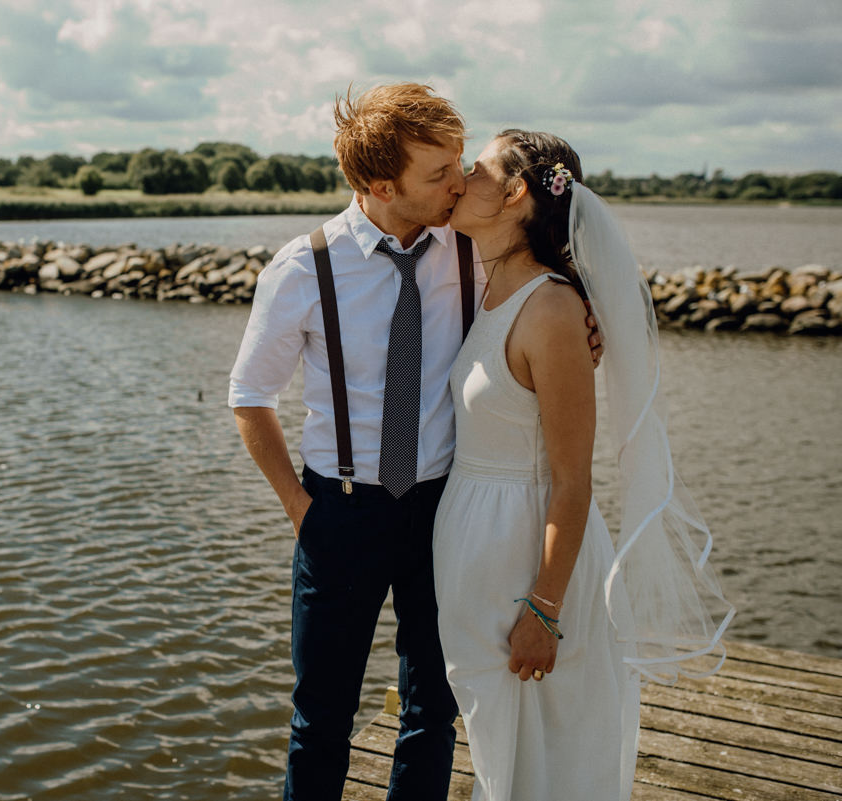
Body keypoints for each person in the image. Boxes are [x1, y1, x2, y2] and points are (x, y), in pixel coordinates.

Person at [227, 84, 601, 800]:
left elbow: (540, 272)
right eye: (439, 174)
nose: (460, 182)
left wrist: (584, 310)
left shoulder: (468, 247)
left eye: (461, 164)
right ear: (381, 185)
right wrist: (302, 511)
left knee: (434, 710)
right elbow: (250, 397)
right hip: (337, 512)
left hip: (444, 510)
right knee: (320, 718)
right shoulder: (302, 268)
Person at [431, 129, 734, 800]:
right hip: (473, 544)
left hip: (532, 553)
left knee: (552, 751)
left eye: (473, 168)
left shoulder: (552, 310)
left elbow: (573, 477)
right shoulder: (485, 281)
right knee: (497, 743)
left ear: (515, 194)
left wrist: (545, 609)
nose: (457, 179)